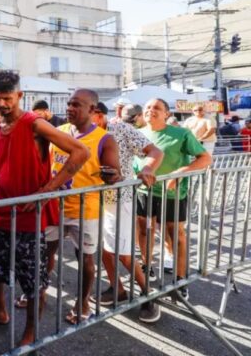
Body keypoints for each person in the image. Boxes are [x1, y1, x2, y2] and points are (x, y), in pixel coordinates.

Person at [0, 71, 88, 345]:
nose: (2, 104)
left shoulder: (35, 123)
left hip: (28, 217)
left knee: (33, 280)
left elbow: (81, 152)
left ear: (19, 96)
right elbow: (10, 163)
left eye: (7, 98)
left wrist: (47, 190)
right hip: (0, 210)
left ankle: (31, 333)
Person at [46, 89, 121, 324]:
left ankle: (83, 302)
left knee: (86, 259)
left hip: (86, 210)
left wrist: (112, 176)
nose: (70, 108)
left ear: (92, 110)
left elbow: (115, 173)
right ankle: (37, 291)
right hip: (54, 206)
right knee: (46, 252)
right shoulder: (58, 132)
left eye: (76, 105)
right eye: (69, 104)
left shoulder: (104, 139)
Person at [91, 102, 164, 322]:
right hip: (93, 199)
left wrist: (148, 168)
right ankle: (118, 289)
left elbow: (154, 151)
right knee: (103, 249)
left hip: (119, 199)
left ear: (99, 115)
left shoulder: (120, 129)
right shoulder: (80, 132)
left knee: (123, 252)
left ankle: (148, 295)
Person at [135, 98, 212, 300]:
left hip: (172, 194)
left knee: (175, 235)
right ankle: (146, 265)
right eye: (147, 107)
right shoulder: (138, 133)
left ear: (167, 114)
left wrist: (180, 173)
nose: (151, 110)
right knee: (143, 229)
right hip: (144, 191)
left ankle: (180, 280)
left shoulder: (181, 134)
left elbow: (205, 158)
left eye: (157, 108)